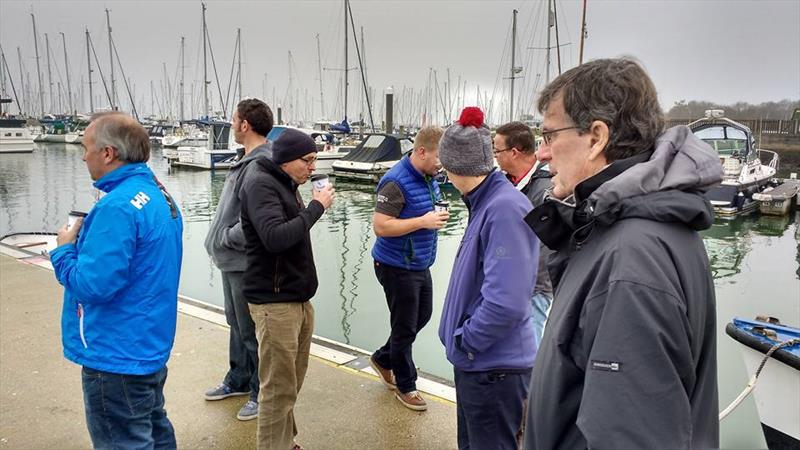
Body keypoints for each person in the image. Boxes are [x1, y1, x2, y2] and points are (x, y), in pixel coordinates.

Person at [523, 58, 722, 450]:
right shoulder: (639, 232)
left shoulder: (631, 260)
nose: (542, 154)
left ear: (596, 137)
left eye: (549, 136)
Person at [50, 112, 183, 449]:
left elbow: (94, 285)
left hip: (116, 352)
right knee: (154, 429)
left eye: (86, 148)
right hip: (147, 343)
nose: (83, 156)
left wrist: (64, 250)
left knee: (123, 439)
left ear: (108, 153)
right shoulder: (158, 193)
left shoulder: (118, 206)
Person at [438, 107, 539, 449]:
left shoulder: (504, 209)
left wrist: (468, 341)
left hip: (492, 368)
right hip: (480, 365)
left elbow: (507, 302)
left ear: (453, 166)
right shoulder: (486, 203)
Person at [239, 128, 335, 450]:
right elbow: (275, 238)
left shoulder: (287, 183)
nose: (312, 167)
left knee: (290, 382)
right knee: (277, 389)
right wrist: (316, 208)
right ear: (286, 160)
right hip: (274, 301)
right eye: (307, 161)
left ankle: (286, 440)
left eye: (314, 160)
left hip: (295, 298)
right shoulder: (261, 185)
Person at [203, 98, 274, 420]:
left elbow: (260, 220)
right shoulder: (245, 160)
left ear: (245, 124)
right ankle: (239, 379)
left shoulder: (261, 164)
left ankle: (261, 393)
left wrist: (228, 237)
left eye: (233, 120)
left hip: (244, 262)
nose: (231, 125)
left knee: (249, 330)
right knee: (235, 324)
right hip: (230, 261)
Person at [369, 126, 448, 411]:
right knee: (404, 326)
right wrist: (423, 222)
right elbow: (381, 227)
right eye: (440, 155)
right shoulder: (395, 182)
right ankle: (406, 385)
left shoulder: (430, 176)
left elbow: (425, 211)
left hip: (419, 262)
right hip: (395, 264)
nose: (443, 162)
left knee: (421, 317)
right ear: (422, 151)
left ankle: (382, 357)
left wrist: (435, 217)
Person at [493, 121, 554, 347]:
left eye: (497, 150)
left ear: (514, 152)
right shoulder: (509, 183)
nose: (495, 156)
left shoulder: (544, 190)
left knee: (530, 348)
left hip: (534, 287)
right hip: (515, 284)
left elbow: (547, 245)